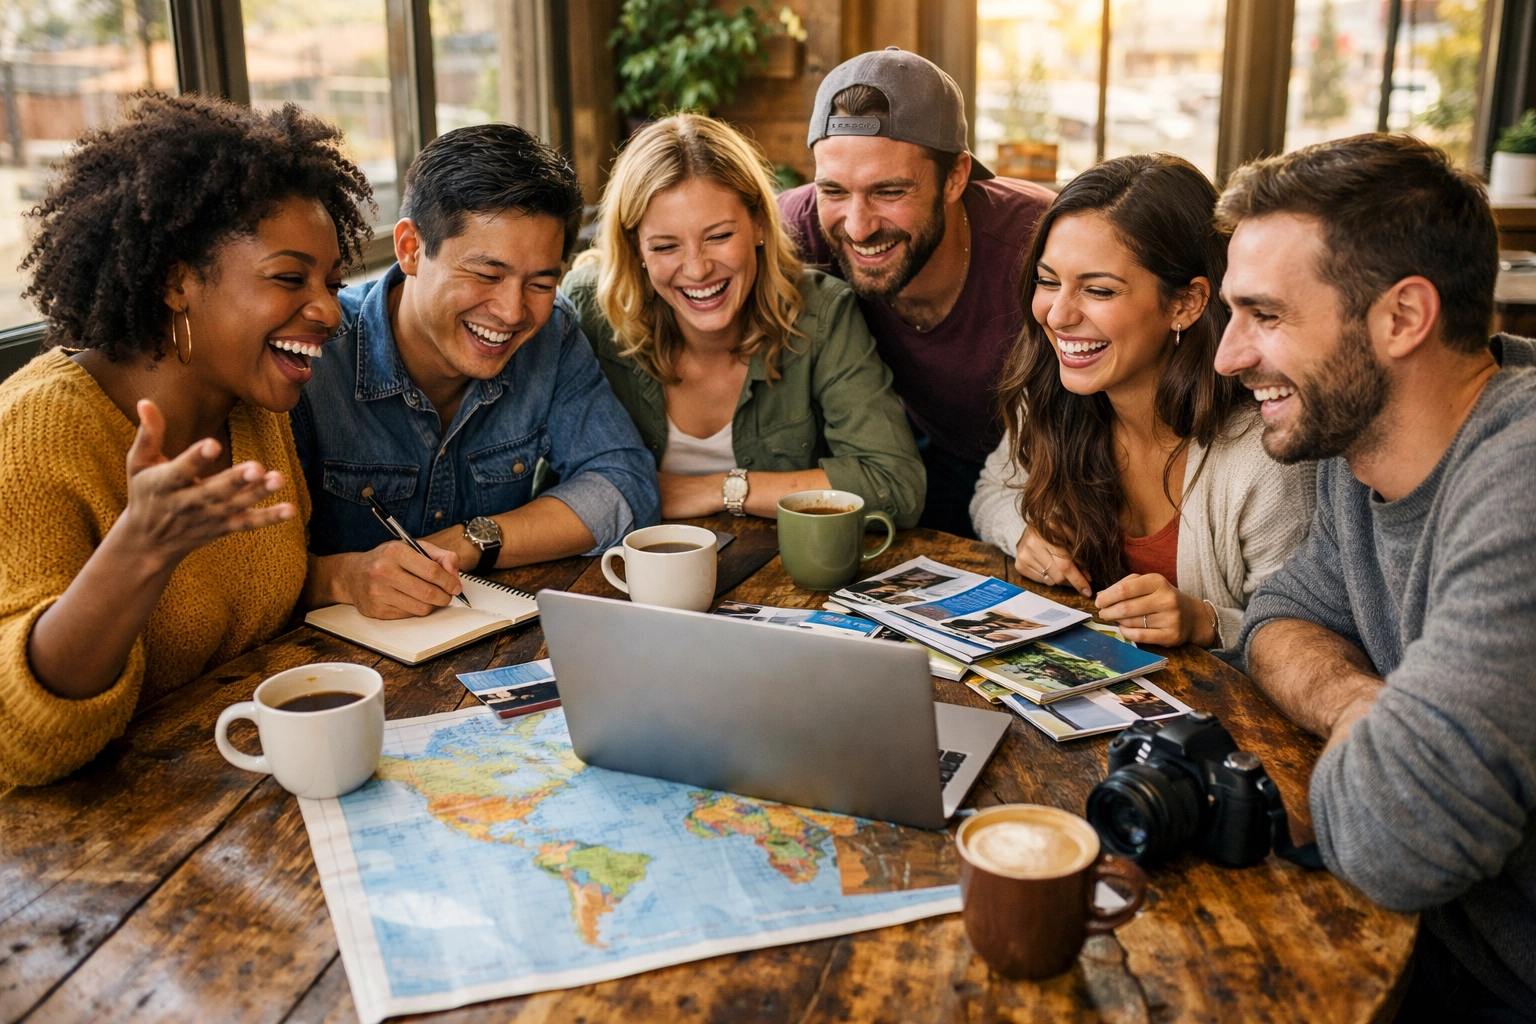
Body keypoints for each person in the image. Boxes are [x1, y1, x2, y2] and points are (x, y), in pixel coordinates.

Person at [1214, 134, 1536, 1019]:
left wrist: (1376, 742)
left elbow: (1399, 839)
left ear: (1402, 318)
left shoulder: (1521, 481)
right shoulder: (1357, 451)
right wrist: (1363, 704)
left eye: (1266, 316)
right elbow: (1276, 613)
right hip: (1433, 939)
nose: (1228, 357)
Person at [0, 94, 372, 786]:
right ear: (176, 280)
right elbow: (17, 740)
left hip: (227, 790)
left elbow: (244, 614)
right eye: (290, 278)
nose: (327, 310)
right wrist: (141, 550)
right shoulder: (36, 433)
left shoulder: (254, 407)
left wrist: (344, 576)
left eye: (331, 282)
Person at [293, 124, 660, 619]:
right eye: (487, 274)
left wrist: (470, 540)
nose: (512, 313)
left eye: (539, 283)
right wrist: (342, 577)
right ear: (410, 249)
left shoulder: (551, 335)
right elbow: (247, 569)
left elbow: (626, 485)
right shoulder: (316, 355)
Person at [970, 154, 1313, 651]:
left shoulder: (1262, 456)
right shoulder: (1053, 388)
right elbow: (991, 492)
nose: (1058, 315)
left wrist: (1207, 623)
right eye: (1048, 281)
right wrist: (1025, 533)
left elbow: (1308, 639)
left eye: (1099, 290)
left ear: (1186, 303)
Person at [563, 114, 924, 527]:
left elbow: (894, 485)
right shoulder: (588, 307)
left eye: (718, 236)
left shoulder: (822, 314)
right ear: (636, 248)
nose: (697, 270)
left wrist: (717, 489)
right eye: (665, 246)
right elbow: (549, 482)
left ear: (757, 224)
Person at [777, 47, 1054, 537]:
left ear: (956, 177)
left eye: (889, 191)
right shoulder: (794, 231)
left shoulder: (1041, 244)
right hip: (904, 467)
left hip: (1037, 484)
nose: (858, 228)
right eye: (834, 191)